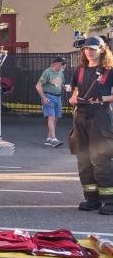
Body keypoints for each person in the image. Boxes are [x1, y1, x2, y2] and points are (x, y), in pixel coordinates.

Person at [68, 36, 113, 215]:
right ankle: (91, 199)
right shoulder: (80, 70)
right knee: (83, 159)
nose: (89, 51)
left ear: (102, 50)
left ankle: (109, 201)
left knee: (100, 159)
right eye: (86, 49)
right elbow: (76, 89)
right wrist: (73, 97)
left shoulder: (109, 70)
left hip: (100, 118)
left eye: (93, 49)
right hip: (81, 116)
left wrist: (101, 98)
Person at [36, 56, 67, 146]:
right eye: (62, 64)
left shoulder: (60, 72)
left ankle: (49, 138)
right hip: (49, 97)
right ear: (56, 63)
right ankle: (54, 139)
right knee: (51, 117)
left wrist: (64, 87)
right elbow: (38, 86)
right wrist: (44, 98)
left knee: (56, 118)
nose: (64, 66)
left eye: (65, 64)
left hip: (58, 97)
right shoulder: (47, 72)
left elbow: (60, 82)